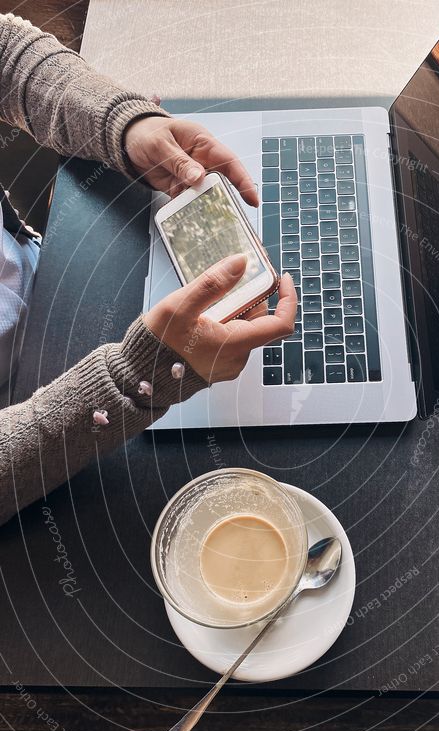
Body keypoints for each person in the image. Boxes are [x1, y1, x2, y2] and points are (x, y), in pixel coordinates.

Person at [0, 13, 295, 525]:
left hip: (50, 275)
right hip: (38, 425)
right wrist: (145, 376)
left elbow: (7, 55)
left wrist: (127, 127)